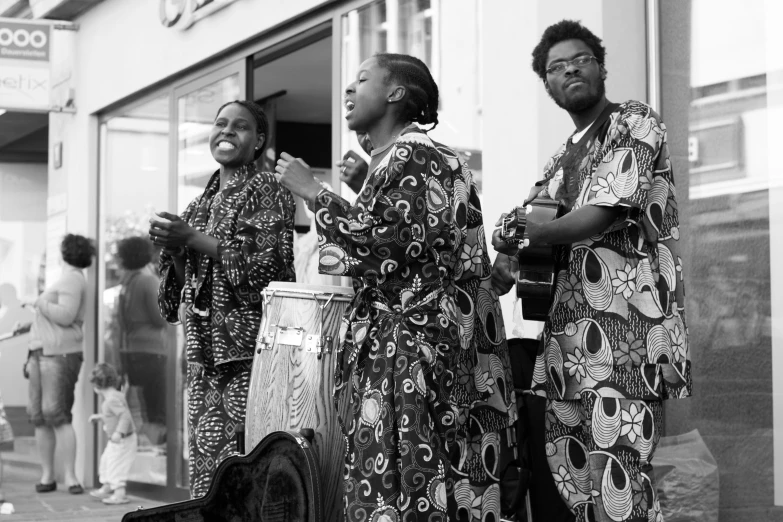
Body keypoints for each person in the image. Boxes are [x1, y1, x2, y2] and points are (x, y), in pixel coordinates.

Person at [275, 53, 518, 521]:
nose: (349, 89)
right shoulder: (400, 161)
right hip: (417, 347)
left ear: (396, 93)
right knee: (413, 479)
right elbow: (417, 240)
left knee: (409, 484)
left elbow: (382, 248)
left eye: (362, 79)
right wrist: (364, 185)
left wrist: (314, 193)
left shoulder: (415, 154)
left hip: (410, 351)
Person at [491, 20, 690, 522]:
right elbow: (531, 232)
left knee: (621, 476)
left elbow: (604, 211)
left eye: (579, 59)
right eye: (555, 68)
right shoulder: (559, 159)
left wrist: (529, 234)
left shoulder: (634, 121)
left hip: (626, 329)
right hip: (564, 343)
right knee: (574, 478)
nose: (569, 70)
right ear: (548, 86)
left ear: (601, 66)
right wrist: (506, 241)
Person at [149, 100, 296, 498]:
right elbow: (183, 295)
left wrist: (191, 239)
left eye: (241, 127)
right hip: (204, 362)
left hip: (251, 358)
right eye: (220, 124)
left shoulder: (266, 188)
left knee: (246, 466)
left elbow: (265, 272)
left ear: (259, 140)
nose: (228, 132)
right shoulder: (198, 205)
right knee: (208, 469)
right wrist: (179, 252)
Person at [25, 233, 94, 495]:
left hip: (59, 355)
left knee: (57, 415)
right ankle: (49, 476)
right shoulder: (73, 279)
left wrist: (39, 302)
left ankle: (71, 477)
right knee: (40, 417)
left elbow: (65, 316)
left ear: (64, 252)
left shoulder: (71, 280)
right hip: (43, 352)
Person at [112, 236, 169, 446]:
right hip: (153, 352)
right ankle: (157, 448)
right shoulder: (148, 281)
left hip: (132, 352)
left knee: (143, 407)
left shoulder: (128, 284)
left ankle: (146, 446)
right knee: (158, 409)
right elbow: (161, 318)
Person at [88, 362, 136, 505]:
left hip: (122, 440)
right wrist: (101, 417)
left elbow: (125, 416)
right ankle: (107, 487)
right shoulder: (116, 395)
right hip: (119, 440)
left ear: (96, 386)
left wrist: (119, 433)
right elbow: (114, 416)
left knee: (116, 465)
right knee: (106, 461)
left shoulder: (110, 401)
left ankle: (119, 494)